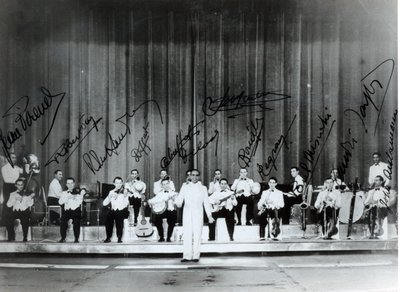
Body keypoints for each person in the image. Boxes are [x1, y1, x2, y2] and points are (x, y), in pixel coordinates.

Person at [175, 169, 214, 262]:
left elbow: (206, 203)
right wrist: (177, 202)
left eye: (196, 175)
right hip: (187, 212)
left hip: (198, 212)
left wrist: (209, 216)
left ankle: (196, 256)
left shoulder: (203, 188)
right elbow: (179, 200)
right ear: (190, 176)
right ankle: (187, 256)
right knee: (187, 234)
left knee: (197, 234)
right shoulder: (184, 187)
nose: (194, 177)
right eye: (193, 175)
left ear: (199, 176)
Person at [103, 177, 131, 243]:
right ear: (114, 184)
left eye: (120, 183)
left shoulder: (124, 192)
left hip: (121, 210)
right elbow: (104, 203)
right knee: (108, 218)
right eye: (117, 183)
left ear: (122, 184)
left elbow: (126, 204)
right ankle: (108, 237)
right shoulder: (111, 192)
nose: (118, 185)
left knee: (119, 219)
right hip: (113, 210)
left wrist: (125, 196)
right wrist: (110, 197)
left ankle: (119, 237)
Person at [58, 178, 84, 243]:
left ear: (74, 184)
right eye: (68, 183)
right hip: (67, 211)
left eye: (72, 183)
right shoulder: (64, 193)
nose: (70, 185)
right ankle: (63, 238)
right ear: (66, 185)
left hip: (76, 211)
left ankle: (76, 238)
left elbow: (79, 202)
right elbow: (60, 202)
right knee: (63, 221)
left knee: (76, 222)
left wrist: (80, 195)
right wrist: (67, 197)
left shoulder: (78, 192)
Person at [1, 153, 23, 225]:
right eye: (12, 157)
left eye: (15, 158)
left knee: (15, 202)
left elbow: (24, 172)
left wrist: (25, 163)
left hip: (14, 186)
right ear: (8, 159)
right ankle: (5, 220)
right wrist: (17, 179)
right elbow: (7, 179)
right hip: (8, 186)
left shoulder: (16, 167)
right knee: (7, 202)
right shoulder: (4, 168)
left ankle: (13, 220)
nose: (14, 159)